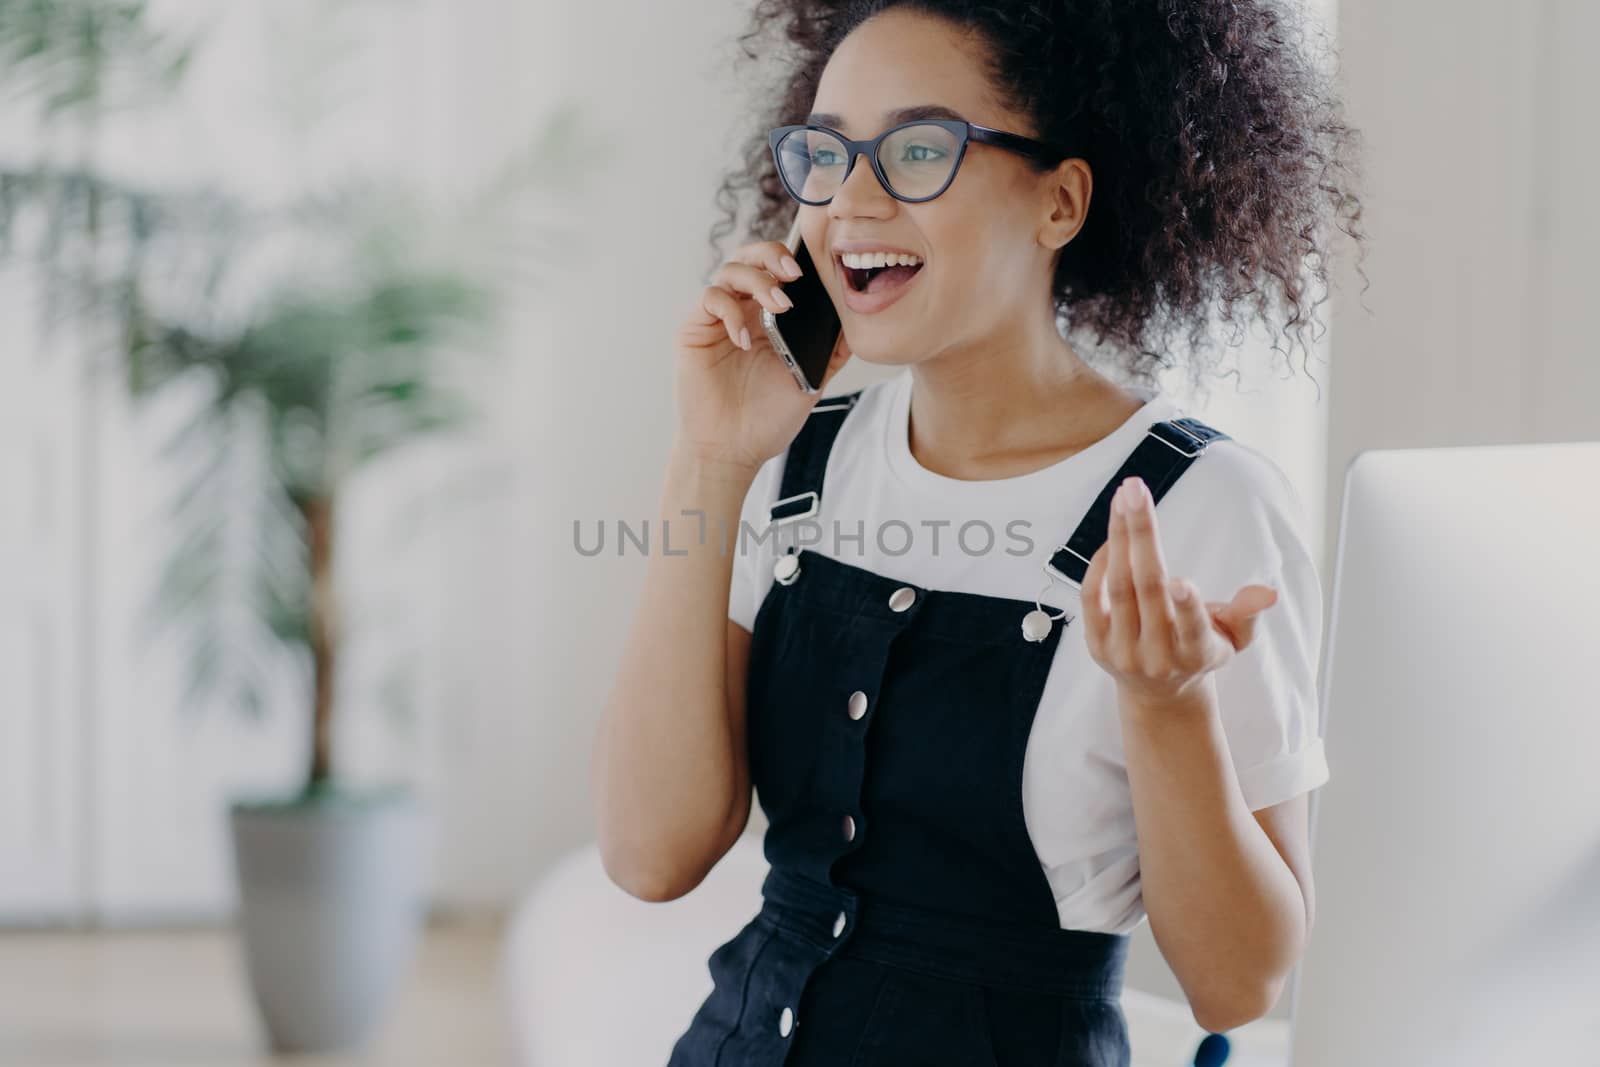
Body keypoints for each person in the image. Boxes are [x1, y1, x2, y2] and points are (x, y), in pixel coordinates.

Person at [591, 1, 1367, 1063]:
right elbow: (650, 852)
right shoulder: (792, 458)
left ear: (1060, 200)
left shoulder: (1202, 503)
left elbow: (1237, 983)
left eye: (918, 149)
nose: (850, 198)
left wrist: (1167, 703)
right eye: (825, 152)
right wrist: (710, 457)